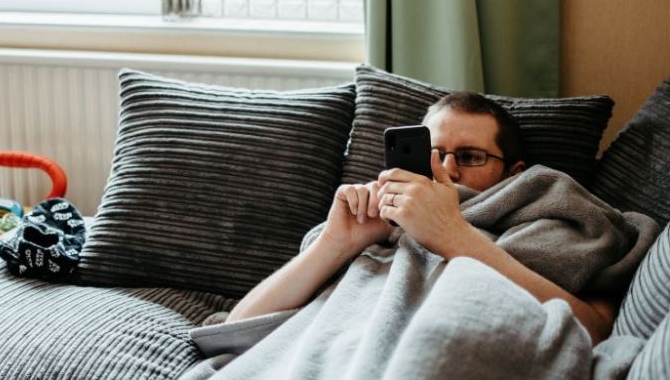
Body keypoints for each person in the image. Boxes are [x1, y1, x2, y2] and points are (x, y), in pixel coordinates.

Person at [226, 91, 618, 345]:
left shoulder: (545, 213)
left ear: (513, 173)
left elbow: (594, 329)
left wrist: (451, 235)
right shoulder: (371, 223)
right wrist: (337, 244)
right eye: (432, 155)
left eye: (469, 157)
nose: (448, 169)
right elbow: (234, 328)